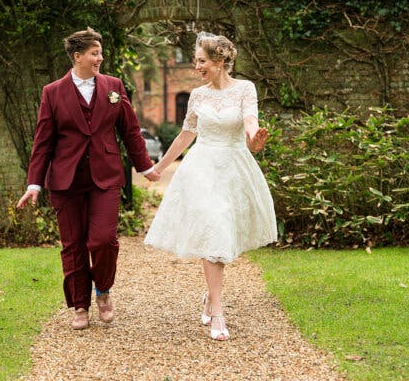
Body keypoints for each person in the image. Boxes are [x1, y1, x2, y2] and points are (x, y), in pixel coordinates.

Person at [17, 28, 161, 331]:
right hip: (65, 180)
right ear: (77, 56)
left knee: (103, 240)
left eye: (100, 53)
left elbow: (130, 130)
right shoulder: (52, 92)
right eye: (94, 53)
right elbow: (43, 141)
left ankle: (104, 290)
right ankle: (80, 305)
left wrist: (145, 167)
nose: (100, 58)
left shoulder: (113, 86)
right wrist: (34, 184)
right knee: (73, 246)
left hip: (105, 176)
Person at [144, 32, 277, 341]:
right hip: (201, 168)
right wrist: (159, 168)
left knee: (221, 237)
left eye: (201, 61)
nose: (197, 66)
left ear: (219, 62)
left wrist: (255, 140)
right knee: (213, 227)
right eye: (195, 61)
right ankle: (218, 311)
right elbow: (186, 135)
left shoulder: (245, 89)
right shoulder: (198, 96)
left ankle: (210, 296)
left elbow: (250, 124)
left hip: (232, 168)